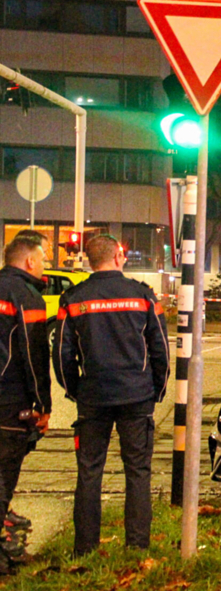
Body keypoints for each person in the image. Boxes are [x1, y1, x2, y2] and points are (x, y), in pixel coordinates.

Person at [53, 235, 169, 556]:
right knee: (138, 471)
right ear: (118, 257)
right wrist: (156, 390)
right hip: (136, 396)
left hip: (93, 397)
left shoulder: (74, 299)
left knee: (89, 472)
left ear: (90, 261)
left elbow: (62, 355)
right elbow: (160, 349)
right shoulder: (142, 296)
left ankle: (85, 549)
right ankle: (137, 547)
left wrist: (76, 390)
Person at [0, 237, 51, 574]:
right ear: (30, 262)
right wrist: (42, 404)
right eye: (43, 259)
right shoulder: (26, 296)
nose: (44, 265)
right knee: (4, 473)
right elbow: (34, 355)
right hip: (8, 398)